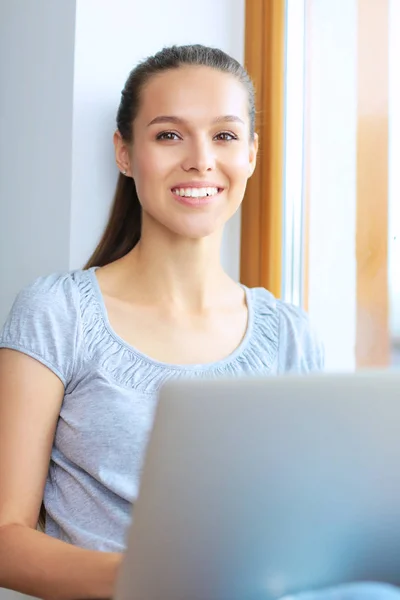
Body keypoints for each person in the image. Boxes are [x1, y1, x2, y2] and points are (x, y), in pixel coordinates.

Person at [2, 43, 383, 600]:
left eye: (225, 136)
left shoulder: (291, 335)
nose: (201, 159)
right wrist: (151, 578)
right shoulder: (57, 312)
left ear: (251, 154)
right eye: (168, 134)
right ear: (126, 153)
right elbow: (5, 537)